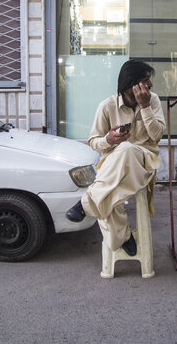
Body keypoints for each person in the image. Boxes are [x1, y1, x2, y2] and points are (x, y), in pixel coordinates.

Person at [66, 59, 166, 256]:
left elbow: (157, 136)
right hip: (112, 164)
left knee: (127, 149)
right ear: (132, 84)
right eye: (146, 80)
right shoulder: (107, 106)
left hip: (144, 160)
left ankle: (86, 203)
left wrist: (145, 107)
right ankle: (123, 236)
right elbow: (93, 141)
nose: (150, 85)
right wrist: (109, 139)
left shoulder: (152, 100)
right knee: (111, 189)